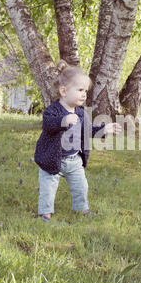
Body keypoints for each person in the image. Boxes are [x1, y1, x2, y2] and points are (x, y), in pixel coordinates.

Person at [34, 60, 121, 222]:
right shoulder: (53, 110)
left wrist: (104, 130)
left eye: (85, 91)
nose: (84, 94)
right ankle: (45, 213)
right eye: (80, 90)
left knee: (81, 186)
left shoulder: (81, 114)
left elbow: (88, 131)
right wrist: (63, 121)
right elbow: (48, 124)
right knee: (48, 188)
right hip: (52, 159)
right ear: (64, 91)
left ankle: (81, 209)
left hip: (74, 160)